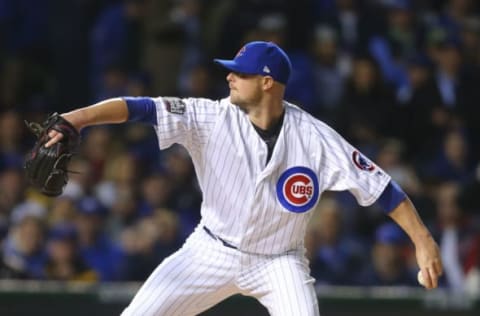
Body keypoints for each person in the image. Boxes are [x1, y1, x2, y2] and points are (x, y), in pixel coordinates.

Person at [45, 41, 443, 316]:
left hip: (279, 260)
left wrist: (422, 240)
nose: (230, 78)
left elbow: (381, 188)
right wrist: (76, 119)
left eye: (241, 73)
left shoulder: (315, 137)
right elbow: (139, 108)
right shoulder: (212, 116)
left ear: (267, 82)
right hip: (210, 251)